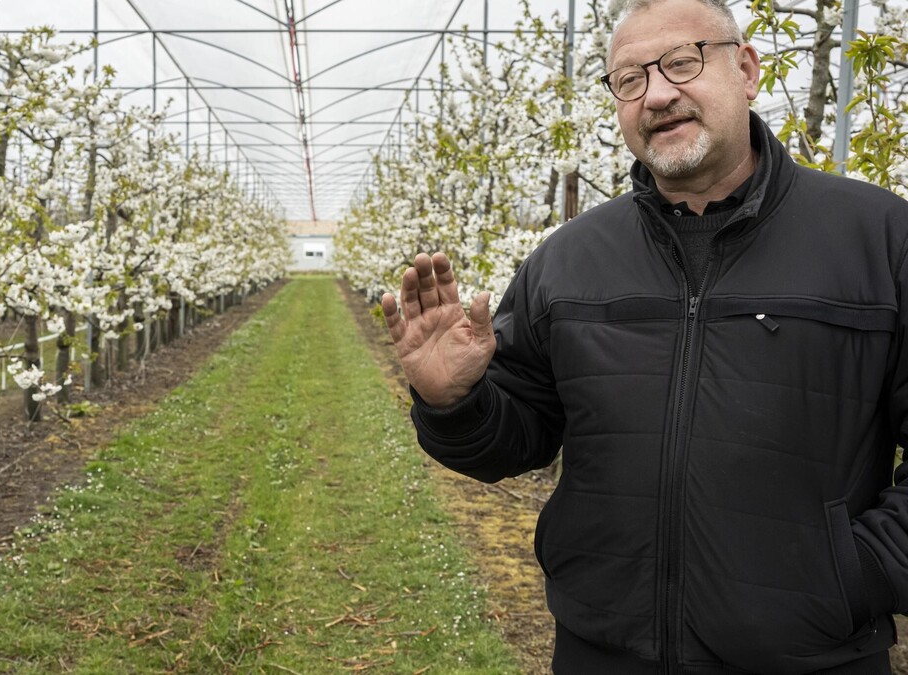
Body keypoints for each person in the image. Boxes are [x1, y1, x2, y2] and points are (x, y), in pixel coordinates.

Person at [381, 0, 908, 673]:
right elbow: (519, 435)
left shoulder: (879, 240)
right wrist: (454, 402)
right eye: (630, 80)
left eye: (683, 62)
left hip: (813, 658)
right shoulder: (567, 259)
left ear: (746, 69)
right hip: (601, 653)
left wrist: (849, 575)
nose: (658, 94)